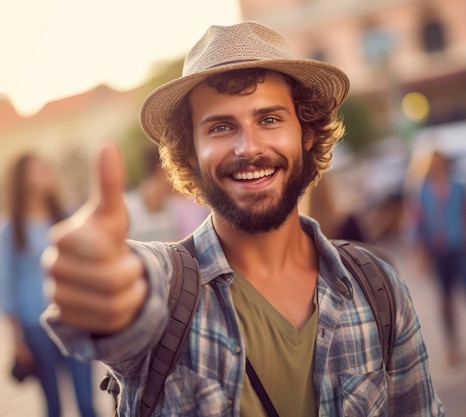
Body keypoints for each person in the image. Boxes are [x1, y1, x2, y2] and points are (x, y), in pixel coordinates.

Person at [42, 22, 444, 416]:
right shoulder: (167, 291)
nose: (248, 148)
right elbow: (132, 296)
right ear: (191, 153)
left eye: (269, 119)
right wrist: (104, 283)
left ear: (306, 133)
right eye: (220, 127)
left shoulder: (379, 290)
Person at [0, 153, 97, 417]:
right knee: (53, 407)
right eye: (39, 170)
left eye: (47, 167)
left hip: (75, 320)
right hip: (35, 326)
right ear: (22, 180)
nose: (47, 173)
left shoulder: (68, 215)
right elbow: (5, 286)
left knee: (87, 403)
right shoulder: (7, 228)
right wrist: (16, 340)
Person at [410, 149, 466, 367]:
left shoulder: (459, 186)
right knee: (444, 300)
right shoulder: (422, 192)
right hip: (439, 251)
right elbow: (417, 225)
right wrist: (420, 253)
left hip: (460, 246)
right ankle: (452, 346)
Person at [125, 146, 210, 242]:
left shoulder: (174, 209)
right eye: (175, 169)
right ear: (163, 170)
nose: (181, 174)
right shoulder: (128, 209)